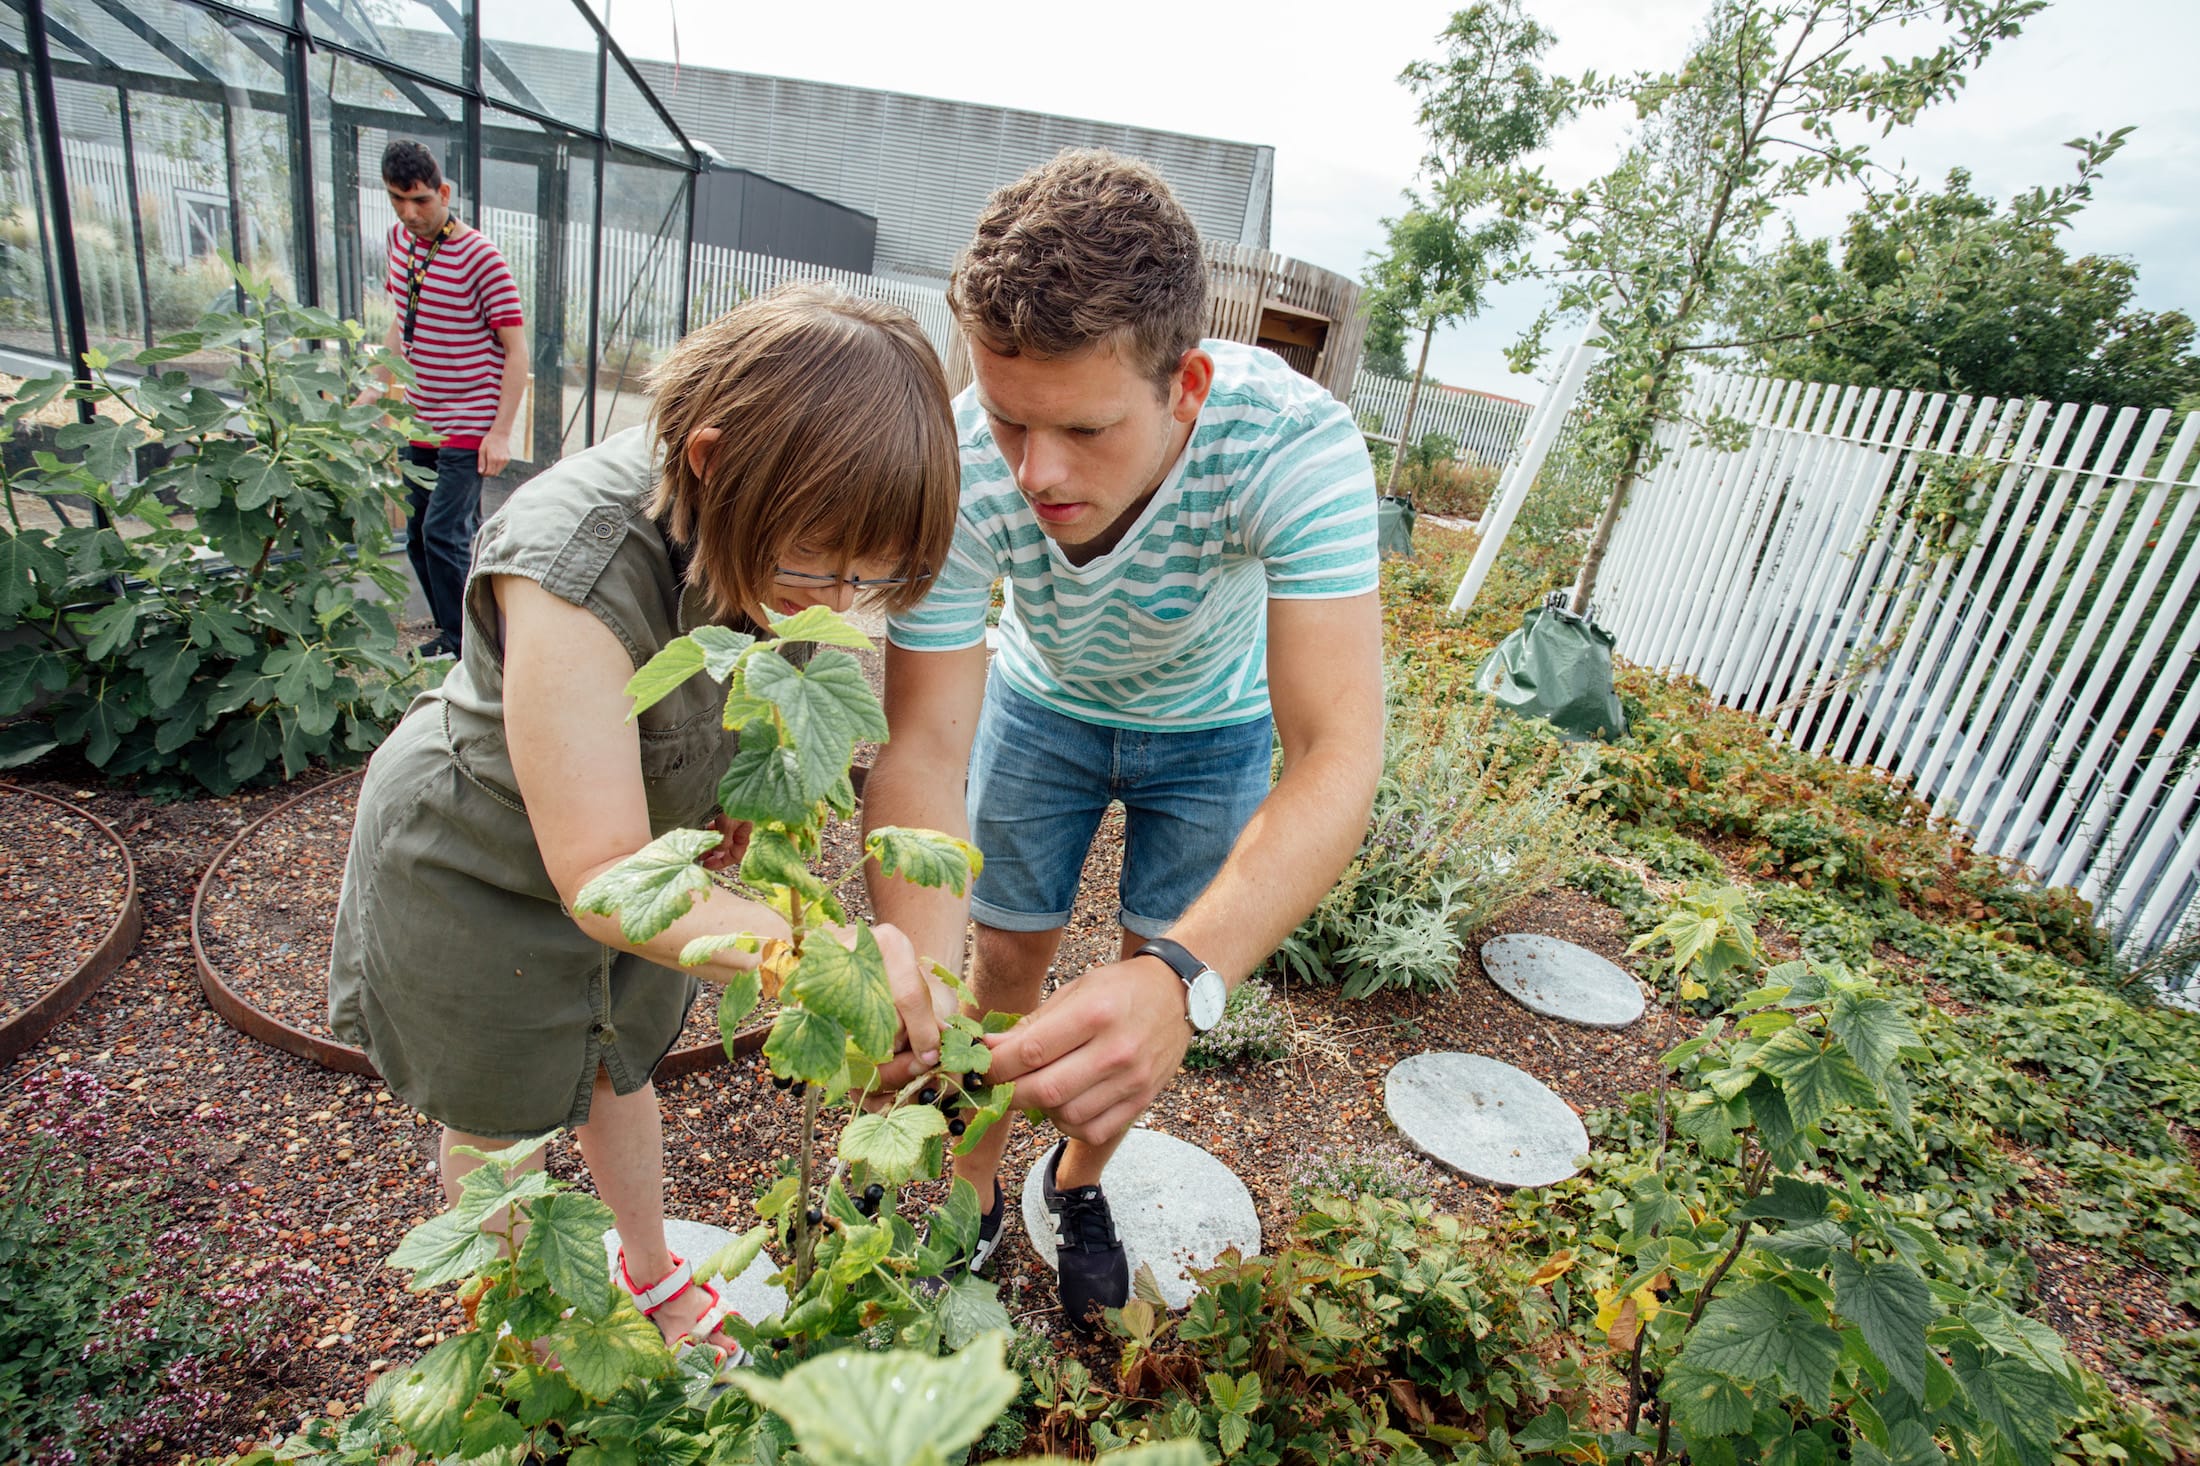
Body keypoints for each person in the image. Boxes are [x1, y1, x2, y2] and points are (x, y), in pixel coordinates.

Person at [329, 285, 960, 1365]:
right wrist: (823, 961)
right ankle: (522, 1331)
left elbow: (736, 717)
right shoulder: (572, 561)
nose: (847, 606)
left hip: (653, 862)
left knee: (621, 1068)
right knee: (500, 1123)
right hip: (483, 865)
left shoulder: (793, 538)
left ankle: (649, 1260)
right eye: (819, 563)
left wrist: (729, 807)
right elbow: (605, 872)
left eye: (877, 576)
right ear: (712, 460)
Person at [863, 150, 1385, 1332]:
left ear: (1186, 384)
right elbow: (921, 750)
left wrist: (1187, 977)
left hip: (1214, 729)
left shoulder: (1291, 448)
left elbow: (1338, 750)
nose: (1034, 472)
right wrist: (917, 980)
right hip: (1041, 710)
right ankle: (973, 1179)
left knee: (1153, 980)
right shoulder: (964, 464)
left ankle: (1078, 1178)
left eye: (1085, 428)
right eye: (1006, 418)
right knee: (999, 963)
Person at [378, 139, 529, 660]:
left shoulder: (481, 258)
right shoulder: (401, 245)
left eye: (419, 199)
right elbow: (401, 323)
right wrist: (375, 389)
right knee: (418, 535)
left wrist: (501, 431)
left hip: (469, 420)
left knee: (445, 532)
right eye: (397, 199)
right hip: (419, 417)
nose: (409, 212)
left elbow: (516, 351)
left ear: (443, 192)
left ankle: (472, 644)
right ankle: (453, 632)